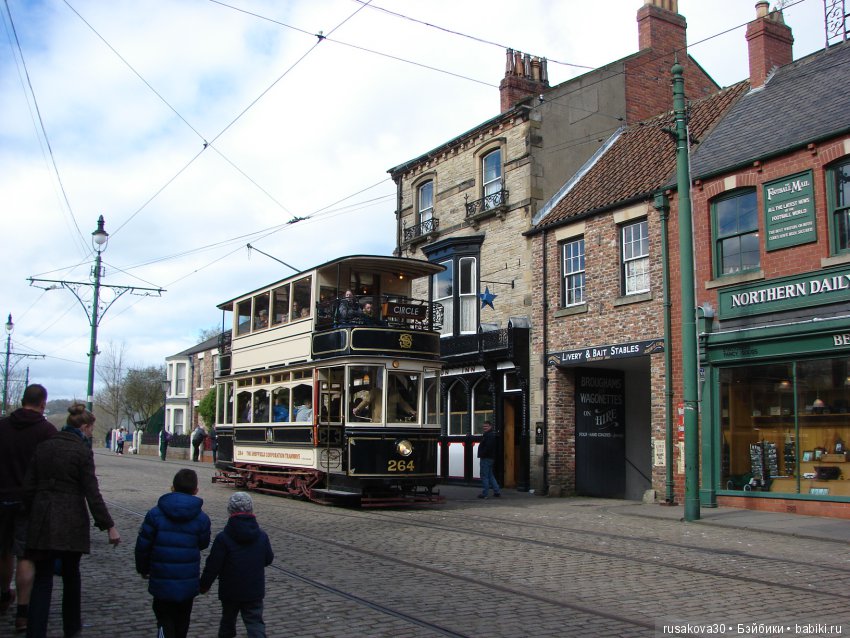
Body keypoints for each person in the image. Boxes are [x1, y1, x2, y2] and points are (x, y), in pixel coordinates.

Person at [24, 403, 121, 638]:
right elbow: (92, 493)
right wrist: (109, 526)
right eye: (90, 430)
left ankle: (35, 631)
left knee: (42, 579)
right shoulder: (81, 451)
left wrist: (29, 515)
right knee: (71, 577)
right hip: (71, 521)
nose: (90, 434)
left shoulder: (44, 447)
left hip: (43, 520)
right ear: (85, 427)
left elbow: (29, 486)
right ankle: (71, 627)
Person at [0, 384, 56, 634]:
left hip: (2, 497)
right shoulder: (46, 431)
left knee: (3, 551)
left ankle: (3, 596)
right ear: (43, 404)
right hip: (30, 501)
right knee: (25, 555)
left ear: (22, 400)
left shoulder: (2, 426)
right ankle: (23, 612)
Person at [135, 469, 211, 638]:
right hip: (187, 581)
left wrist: (143, 568)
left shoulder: (155, 513)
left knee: (164, 617)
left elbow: (143, 545)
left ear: (172, 487)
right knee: (182, 620)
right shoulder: (202, 518)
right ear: (195, 491)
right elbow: (203, 544)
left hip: (161, 578)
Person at [200, 493, 273, 638]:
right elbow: (268, 559)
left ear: (230, 510)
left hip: (230, 590)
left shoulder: (223, 537)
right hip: (254, 590)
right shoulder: (261, 536)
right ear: (251, 509)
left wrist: (204, 585)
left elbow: (213, 565)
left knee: (227, 622)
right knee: (255, 623)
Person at [477, 420, 501, 499]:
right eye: (484, 426)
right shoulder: (488, 435)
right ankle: (497, 491)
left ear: (490, 426)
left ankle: (485, 493)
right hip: (490, 458)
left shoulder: (489, 435)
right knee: (490, 475)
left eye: (486, 426)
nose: (484, 428)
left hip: (486, 458)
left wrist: (482, 454)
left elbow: (488, 448)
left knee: (484, 476)